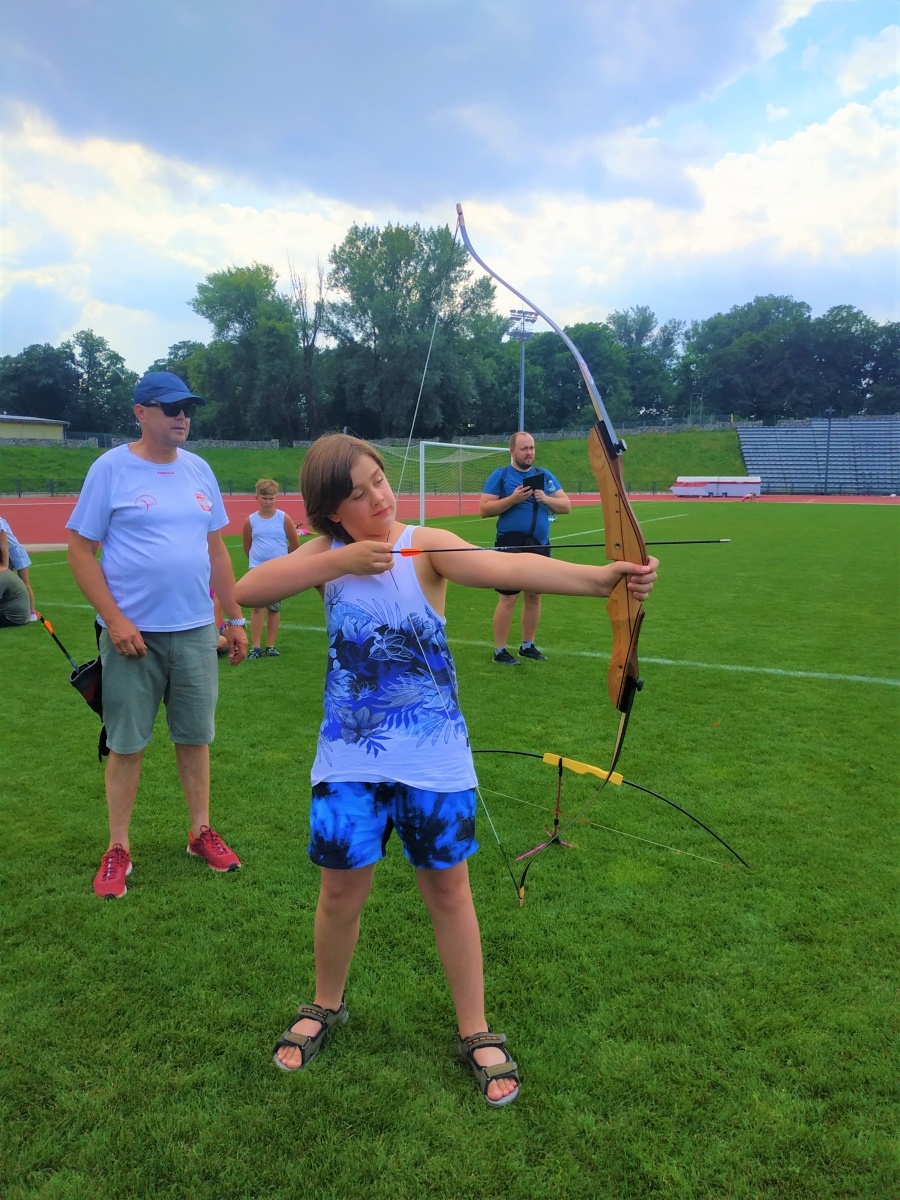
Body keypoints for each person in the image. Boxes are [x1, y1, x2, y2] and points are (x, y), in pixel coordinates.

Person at [234, 433, 657, 1105]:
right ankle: (325, 1004)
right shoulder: (325, 556)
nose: (378, 496)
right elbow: (248, 587)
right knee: (340, 893)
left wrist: (601, 578)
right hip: (348, 761)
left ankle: (475, 1028)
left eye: (379, 480)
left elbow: (507, 567)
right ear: (330, 512)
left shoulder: (425, 543)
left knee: (450, 893)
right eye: (357, 494)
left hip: (435, 762)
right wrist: (340, 557)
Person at [66, 371, 249, 899]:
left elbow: (216, 550)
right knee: (127, 744)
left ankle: (200, 832)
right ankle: (118, 847)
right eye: (170, 408)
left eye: (187, 408)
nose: (182, 417)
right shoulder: (110, 469)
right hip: (131, 637)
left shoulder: (199, 470)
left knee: (196, 737)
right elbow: (81, 550)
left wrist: (234, 618)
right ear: (140, 412)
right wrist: (116, 620)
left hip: (195, 632)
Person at [479, 432, 571, 664]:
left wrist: (546, 499)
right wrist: (513, 499)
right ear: (512, 451)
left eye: (531, 448)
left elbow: (566, 505)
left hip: (539, 544)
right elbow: (484, 509)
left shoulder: (544, 475)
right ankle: (500, 651)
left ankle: (527, 646)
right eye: (524, 449)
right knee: (508, 598)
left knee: (534, 596)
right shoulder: (501, 476)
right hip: (510, 544)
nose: (529, 452)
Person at [241, 478, 300, 658]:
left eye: (272, 498)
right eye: (265, 498)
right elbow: (247, 545)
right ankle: (256, 647)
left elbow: (294, 544)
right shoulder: (250, 521)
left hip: (278, 570)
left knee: (274, 608)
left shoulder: (283, 518)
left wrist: (282, 561)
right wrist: (256, 562)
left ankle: (271, 646)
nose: (269, 502)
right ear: (257, 498)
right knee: (256, 607)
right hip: (257, 568)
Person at [0, 515, 38, 620]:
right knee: (8, 584)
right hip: (3, 554)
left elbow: (5, 545)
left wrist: (5, 565)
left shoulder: (0, 523)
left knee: (24, 582)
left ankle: (32, 612)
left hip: (15, 552)